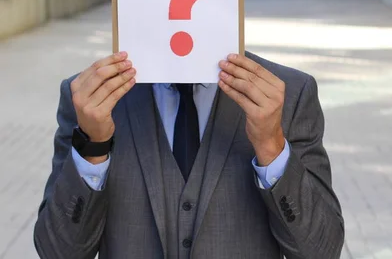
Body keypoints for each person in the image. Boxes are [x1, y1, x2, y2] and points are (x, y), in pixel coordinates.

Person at [33, 51, 344, 258]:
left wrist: (272, 147)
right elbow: (58, 251)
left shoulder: (288, 92)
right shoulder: (89, 97)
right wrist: (92, 147)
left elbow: (321, 249)